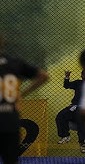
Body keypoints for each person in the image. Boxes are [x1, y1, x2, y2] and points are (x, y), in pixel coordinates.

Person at [0, 33, 49, 164]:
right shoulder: (15, 63)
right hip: (10, 121)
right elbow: (44, 76)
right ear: (2, 42)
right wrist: (21, 94)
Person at [55, 68, 85, 152]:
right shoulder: (78, 83)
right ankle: (65, 136)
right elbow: (66, 85)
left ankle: (83, 143)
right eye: (84, 74)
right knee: (60, 116)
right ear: (82, 75)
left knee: (82, 121)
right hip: (74, 107)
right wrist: (67, 77)